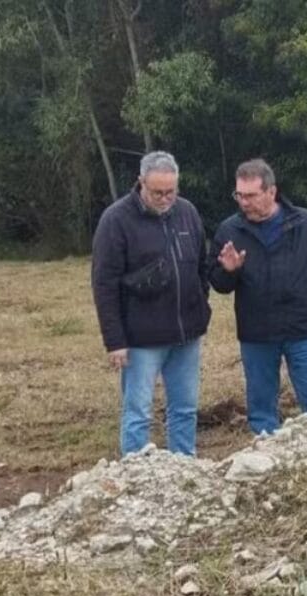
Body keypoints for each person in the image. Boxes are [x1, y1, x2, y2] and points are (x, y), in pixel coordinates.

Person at [209, 159, 307, 435]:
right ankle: (266, 449)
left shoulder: (304, 223)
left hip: (302, 328)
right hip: (257, 333)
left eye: (251, 195)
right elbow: (219, 285)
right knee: (261, 411)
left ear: (271, 192)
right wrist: (229, 271)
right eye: (239, 195)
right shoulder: (229, 231)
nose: (244, 202)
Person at [91, 151, 211, 457]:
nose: (165, 198)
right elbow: (104, 285)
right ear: (141, 182)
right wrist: (115, 341)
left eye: (171, 191)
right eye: (157, 192)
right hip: (141, 340)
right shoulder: (116, 220)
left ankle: (184, 466)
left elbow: (201, 266)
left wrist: (201, 309)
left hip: (186, 335)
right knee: (138, 412)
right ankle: (136, 471)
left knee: (185, 409)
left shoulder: (188, 212)